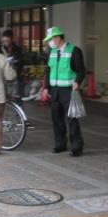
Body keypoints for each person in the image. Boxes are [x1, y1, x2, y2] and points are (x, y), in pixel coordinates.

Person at [41, 27, 86, 157]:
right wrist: (45, 88)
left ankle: (76, 147)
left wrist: (78, 81)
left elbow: (81, 70)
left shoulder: (74, 50)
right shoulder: (52, 52)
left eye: (50, 39)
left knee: (72, 119)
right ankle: (60, 144)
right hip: (55, 91)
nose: (49, 42)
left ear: (58, 37)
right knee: (56, 119)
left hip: (68, 91)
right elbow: (48, 71)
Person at [1, 30, 23, 98]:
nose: (6, 43)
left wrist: (14, 62)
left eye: (7, 41)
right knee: (3, 98)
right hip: (3, 76)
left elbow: (21, 63)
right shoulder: (0, 49)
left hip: (15, 75)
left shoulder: (18, 49)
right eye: (4, 41)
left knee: (16, 97)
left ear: (12, 39)